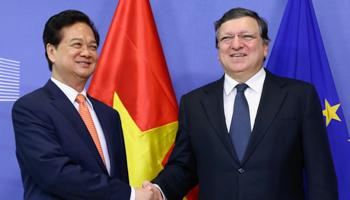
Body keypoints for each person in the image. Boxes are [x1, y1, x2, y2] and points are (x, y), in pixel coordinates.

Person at [143, 7, 338, 200]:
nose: (236, 45)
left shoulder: (300, 96)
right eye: (226, 38)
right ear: (219, 50)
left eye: (247, 36)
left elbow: (320, 174)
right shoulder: (194, 103)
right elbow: (183, 167)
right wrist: (159, 190)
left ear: (265, 47)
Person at [12, 10, 157, 200]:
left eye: (92, 46)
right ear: (51, 51)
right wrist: (131, 194)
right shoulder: (31, 108)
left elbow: (117, 178)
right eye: (77, 45)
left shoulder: (109, 115)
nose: (87, 53)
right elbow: (56, 176)